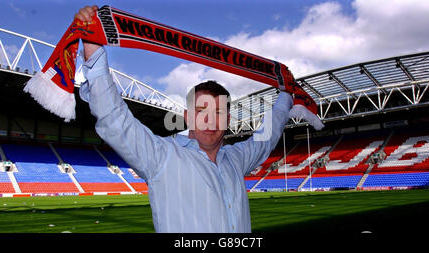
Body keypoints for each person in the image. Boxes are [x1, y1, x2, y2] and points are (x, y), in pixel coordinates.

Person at [76, 5, 294, 233]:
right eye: (202, 111)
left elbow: (267, 137)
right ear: (188, 117)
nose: (210, 120)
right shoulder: (162, 156)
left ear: (228, 119)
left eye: (218, 112)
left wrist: (287, 97)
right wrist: (93, 50)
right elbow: (115, 119)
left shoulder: (237, 158)